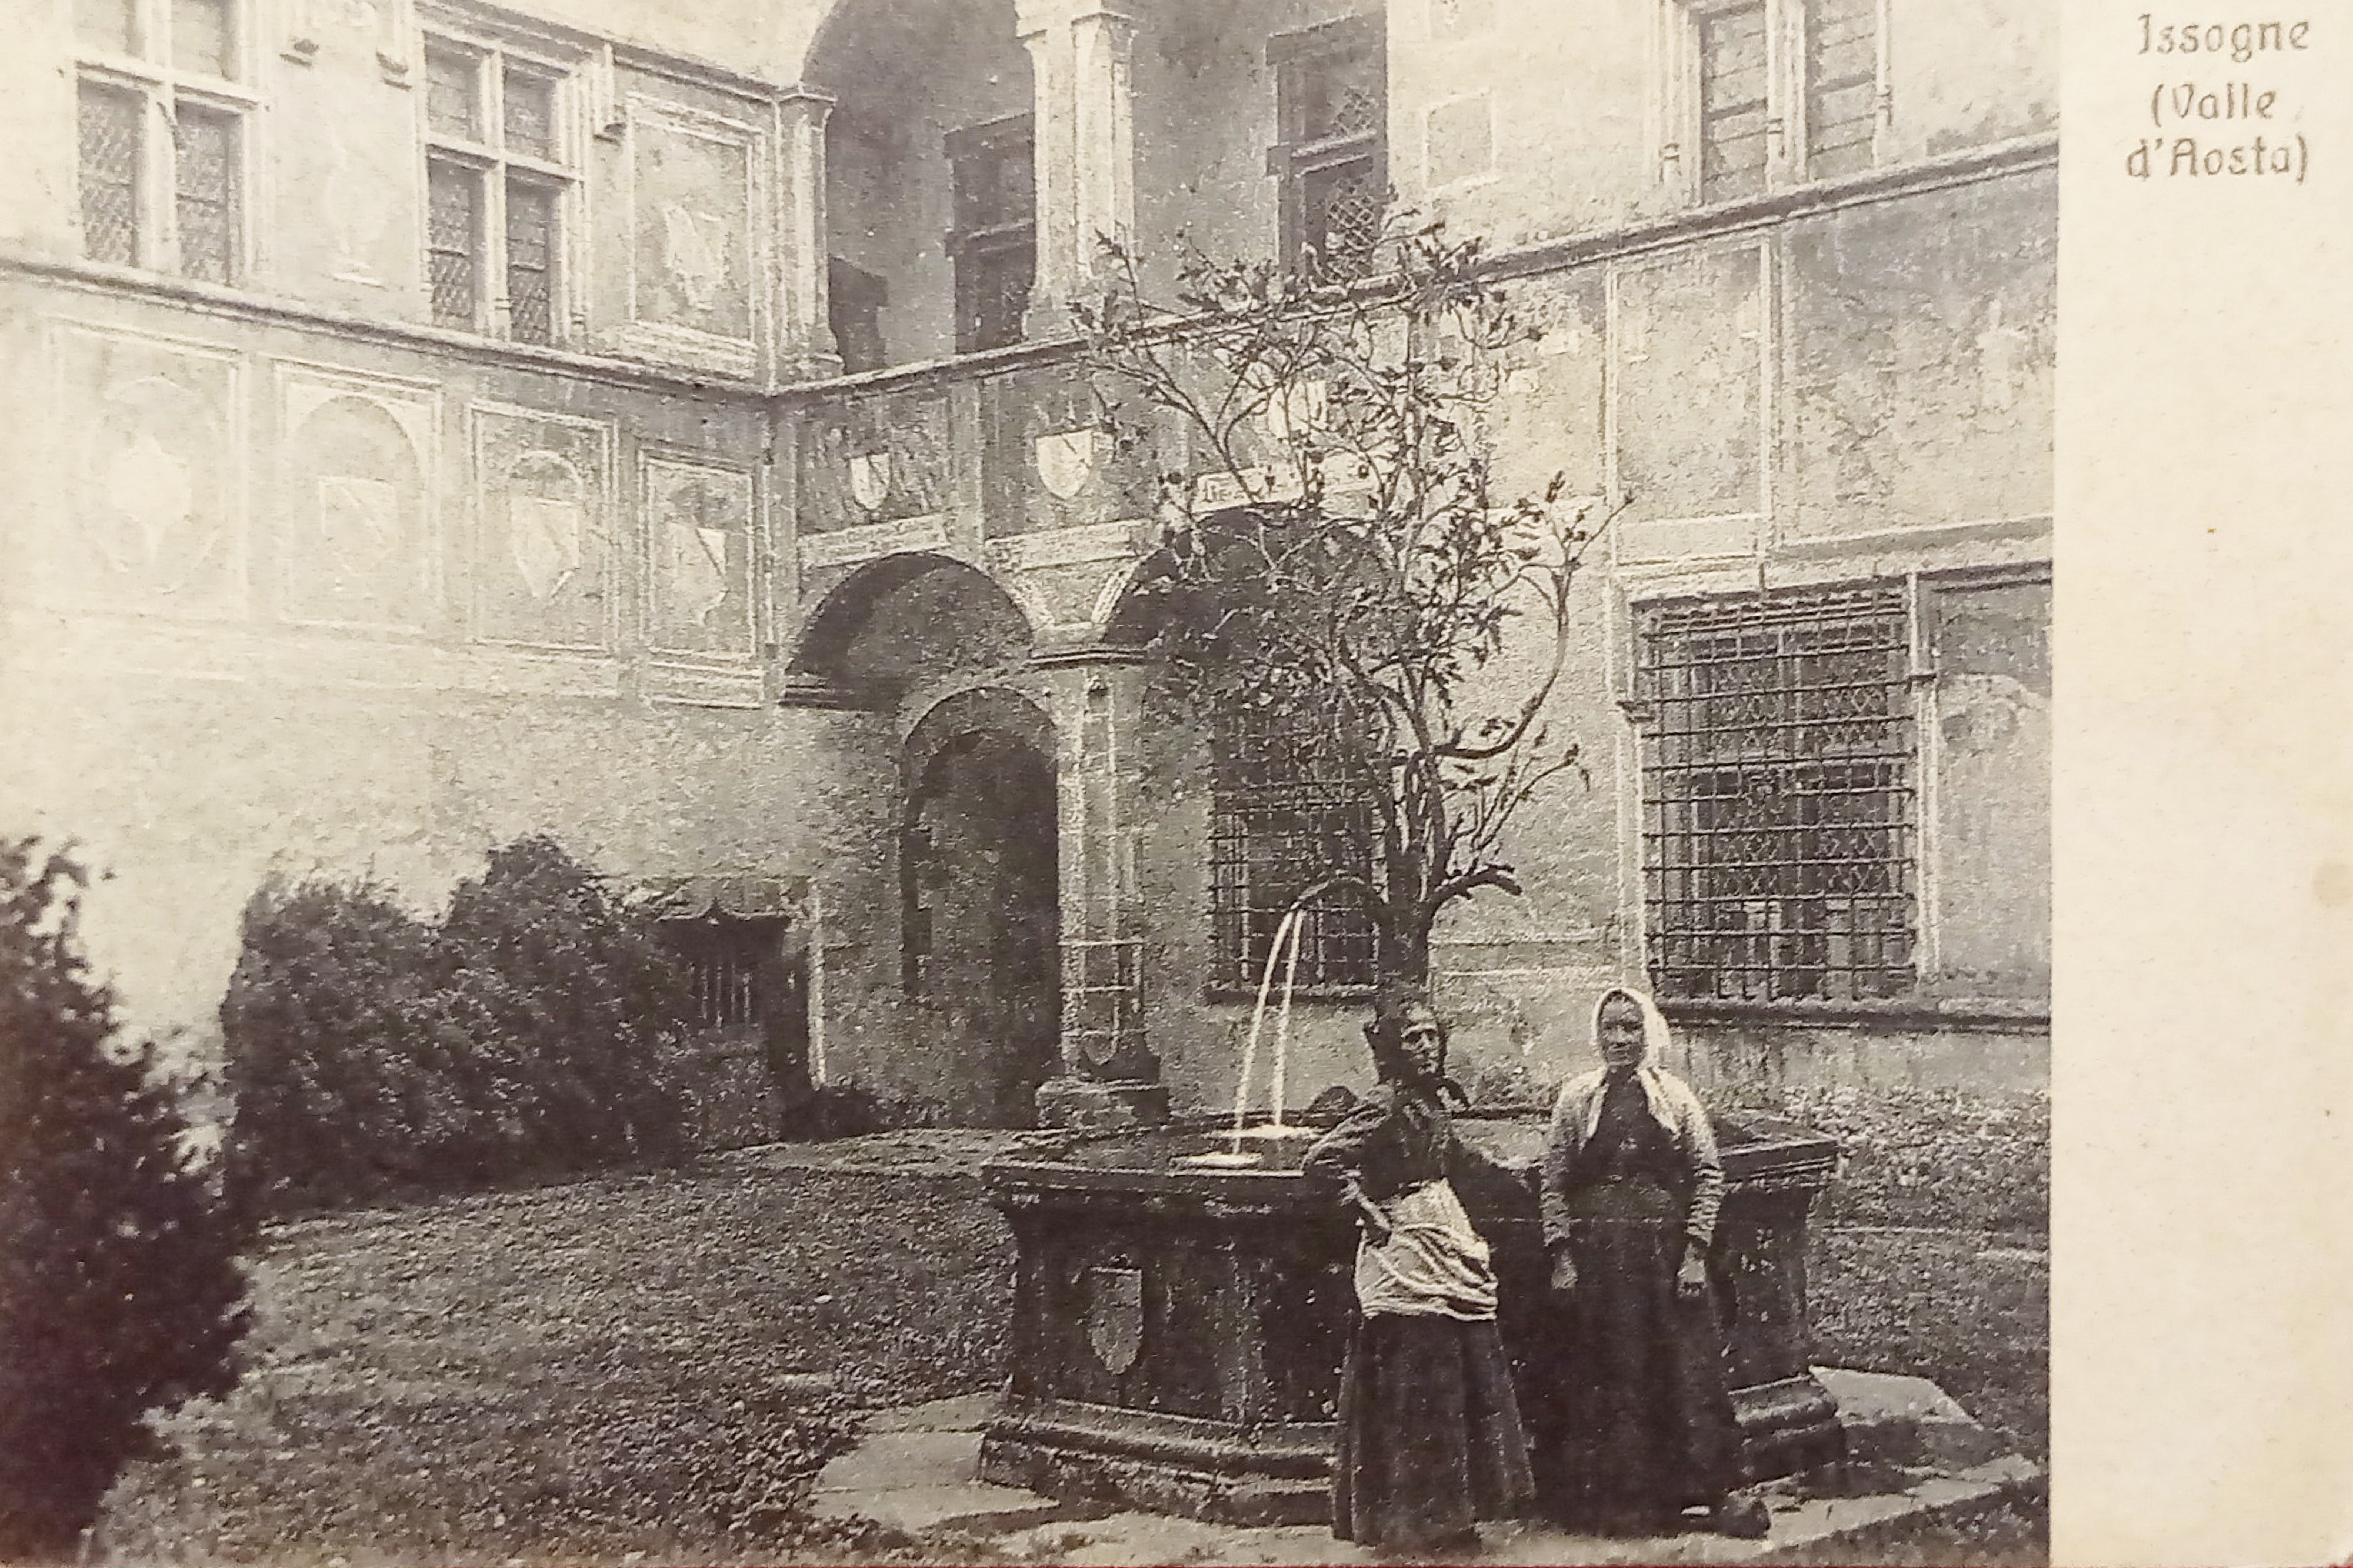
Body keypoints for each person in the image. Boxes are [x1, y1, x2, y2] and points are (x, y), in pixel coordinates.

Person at [1301, 986, 1534, 1555]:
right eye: (1413, 1039)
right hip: (1406, 1249)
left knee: (1449, 1378)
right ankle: (1412, 1517)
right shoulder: (1383, 1104)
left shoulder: (1428, 1104)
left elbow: (1458, 1160)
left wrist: (1520, 1177)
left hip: (1444, 1237)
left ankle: (1449, 1512)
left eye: (1432, 1036)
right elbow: (1322, 1160)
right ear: (1393, 1049)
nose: (1427, 1047)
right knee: (1416, 1380)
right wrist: (1365, 1208)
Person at [1536, 985, 1771, 1539]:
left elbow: (1709, 1177)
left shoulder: (1674, 1098)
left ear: (1649, 1033)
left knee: (1684, 1368)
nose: (1620, 1039)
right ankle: (1619, 1503)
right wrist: (1562, 1255)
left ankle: (1706, 1491)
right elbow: (1553, 1182)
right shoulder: (1578, 1099)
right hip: (1601, 1262)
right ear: (1597, 1035)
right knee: (1610, 1370)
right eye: (1610, 1029)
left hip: (1664, 1259)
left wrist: (1693, 1255)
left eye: (1631, 1028)